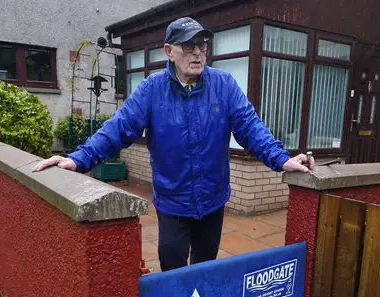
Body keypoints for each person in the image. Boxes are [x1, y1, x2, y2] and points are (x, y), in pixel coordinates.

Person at [33, 17, 315, 272]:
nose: (197, 52)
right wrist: (78, 159)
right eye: (189, 46)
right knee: (173, 272)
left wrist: (282, 158)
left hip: (212, 201)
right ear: (169, 51)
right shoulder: (151, 90)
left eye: (202, 45)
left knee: (205, 272)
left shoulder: (224, 85)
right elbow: (118, 128)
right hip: (172, 203)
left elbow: (251, 127)